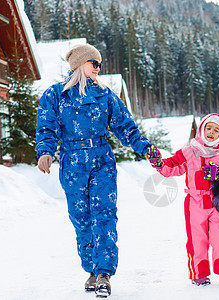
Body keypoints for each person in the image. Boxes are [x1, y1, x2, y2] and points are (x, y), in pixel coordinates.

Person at [35, 43, 156, 298]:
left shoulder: (105, 95)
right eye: (95, 64)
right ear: (81, 64)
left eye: (100, 64)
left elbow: (125, 127)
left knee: (104, 215)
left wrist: (145, 148)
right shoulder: (55, 95)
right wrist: (45, 151)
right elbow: (46, 127)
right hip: (72, 163)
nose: (99, 69)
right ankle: (90, 269)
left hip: (101, 159)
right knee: (81, 218)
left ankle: (104, 273)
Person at [148, 113, 219, 286]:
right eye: (208, 128)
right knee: (197, 239)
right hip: (195, 203)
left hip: (218, 202)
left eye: (216, 130)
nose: (211, 132)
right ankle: (199, 273)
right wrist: (159, 163)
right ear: (201, 129)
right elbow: (172, 166)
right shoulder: (189, 152)